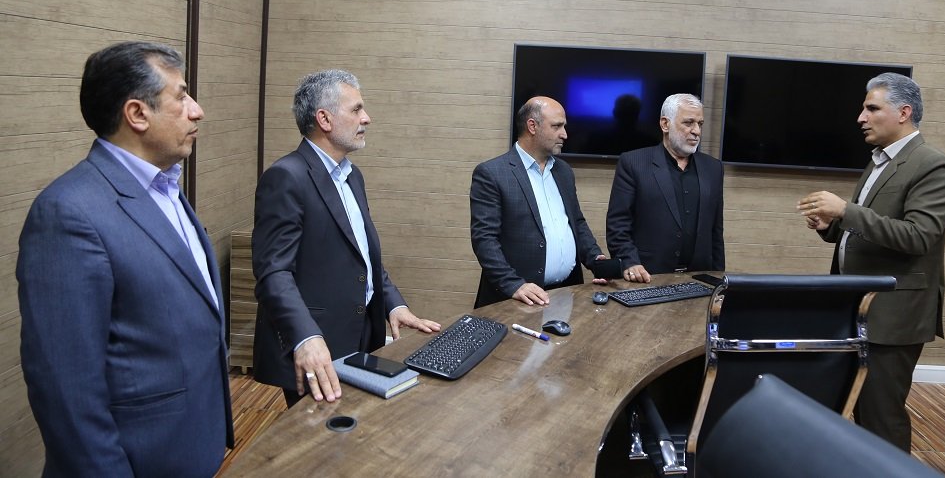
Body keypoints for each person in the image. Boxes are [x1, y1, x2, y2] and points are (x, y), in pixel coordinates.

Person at [17, 41, 233, 477]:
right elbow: (66, 391)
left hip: (192, 447)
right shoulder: (68, 213)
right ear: (137, 114)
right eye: (181, 96)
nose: (197, 111)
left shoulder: (166, 187)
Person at [252, 70, 440, 408]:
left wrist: (394, 304)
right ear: (324, 119)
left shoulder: (353, 176)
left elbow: (362, 257)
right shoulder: (286, 177)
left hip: (361, 335)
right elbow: (273, 274)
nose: (366, 118)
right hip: (316, 344)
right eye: (356, 109)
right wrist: (306, 337)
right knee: (316, 436)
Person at [798, 72, 945, 451]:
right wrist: (830, 225)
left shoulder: (935, 165)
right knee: (859, 409)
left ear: (903, 112)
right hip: (856, 308)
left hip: (893, 317)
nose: (861, 117)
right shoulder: (878, 161)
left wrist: (846, 210)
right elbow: (867, 230)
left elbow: (919, 236)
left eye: (872, 108)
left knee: (881, 417)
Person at [470, 96, 606, 308]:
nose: (565, 134)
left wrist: (596, 259)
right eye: (557, 126)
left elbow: (576, 223)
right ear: (532, 126)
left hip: (566, 294)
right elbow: (484, 240)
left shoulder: (563, 171)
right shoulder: (492, 173)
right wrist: (514, 285)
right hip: (516, 299)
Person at [606, 93, 725, 283]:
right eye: (688, 123)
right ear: (665, 124)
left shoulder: (713, 168)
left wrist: (719, 280)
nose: (696, 131)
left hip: (700, 279)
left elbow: (716, 232)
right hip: (648, 277)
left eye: (700, 124)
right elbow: (618, 225)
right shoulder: (633, 163)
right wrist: (629, 262)